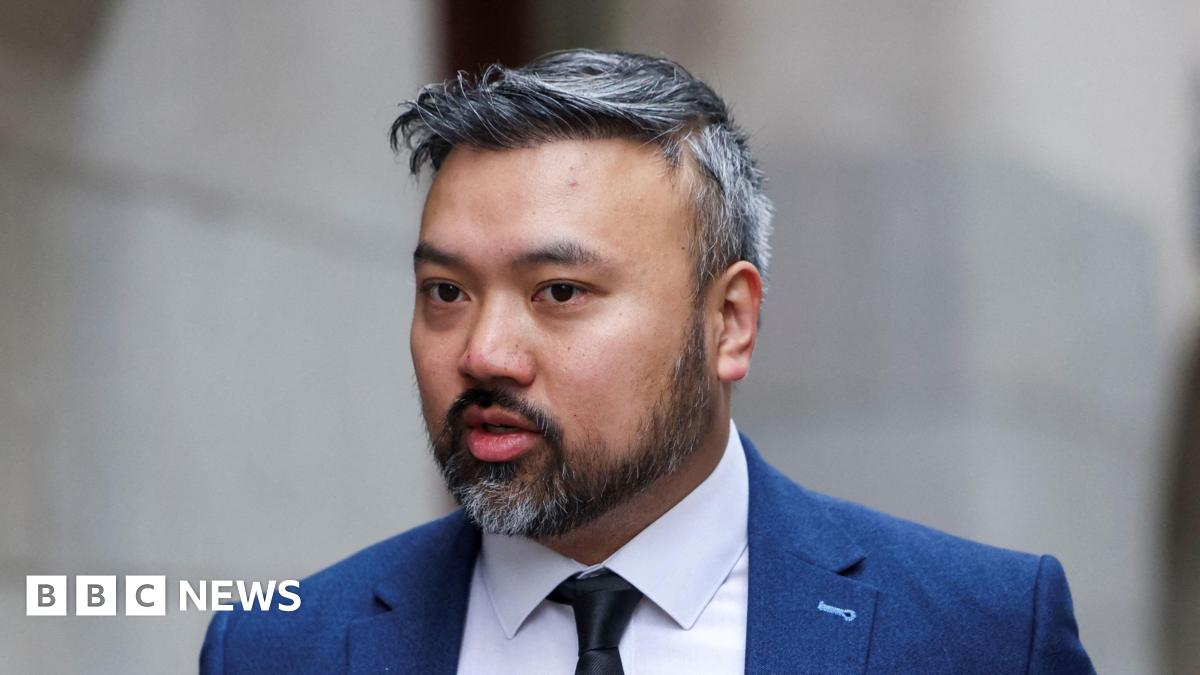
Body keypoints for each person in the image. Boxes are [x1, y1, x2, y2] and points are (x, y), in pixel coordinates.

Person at [200, 49, 1093, 674]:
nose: (483, 352)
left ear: (730, 322)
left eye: (558, 292)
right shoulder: (283, 649)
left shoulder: (981, 633)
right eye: (446, 292)